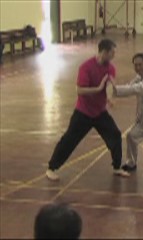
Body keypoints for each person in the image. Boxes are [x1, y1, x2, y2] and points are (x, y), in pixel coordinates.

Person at [46, 39, 130, 181]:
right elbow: (80, 90)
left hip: (100, 112)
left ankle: (117, 167)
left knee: (115, 135)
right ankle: (52, 168)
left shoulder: (111, 68)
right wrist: (98, 89)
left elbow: (109, 85)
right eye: (112, 53)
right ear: (104, 52)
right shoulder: (86, 67)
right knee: (69, 140)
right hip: (83, 112)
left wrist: (109, 98)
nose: (114, 56)